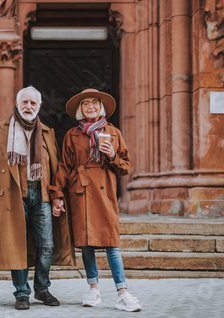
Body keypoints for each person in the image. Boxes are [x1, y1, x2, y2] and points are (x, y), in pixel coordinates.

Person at [0, 86, 75, 310]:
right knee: (16, 244)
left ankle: (41, 289)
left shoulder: (47, 132)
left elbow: (56, 167)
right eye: (25, 102)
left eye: (33, 103)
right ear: (17, 104)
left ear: (39, 107)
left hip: (42, 194)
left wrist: (58, 196)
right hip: (11, 196)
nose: (28, 106)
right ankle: (21, 293)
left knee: (47, 244)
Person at [49, 88, 142, 312]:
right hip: (80, 192)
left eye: (94, 103)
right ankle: (93, 289)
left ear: (100, 107)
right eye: (85, 104)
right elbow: (64, 166)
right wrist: (57, 194)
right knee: (87, 244)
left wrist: (111, 155)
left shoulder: (113, 132)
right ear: (81, 110)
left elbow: (125, 167)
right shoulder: (72, 134)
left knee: (112, 243)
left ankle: (123, 293)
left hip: (105, 192)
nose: (90, 106)